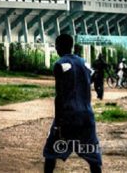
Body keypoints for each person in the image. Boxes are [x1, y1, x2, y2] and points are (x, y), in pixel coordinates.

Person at [43, 34, 102, 173]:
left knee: (50, 152)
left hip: (68, 116)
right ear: (71, 46)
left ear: (58, 47)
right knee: (92, 155)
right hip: (87, 116)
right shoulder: (84, 63)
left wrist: (57, 124)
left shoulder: (60, 65)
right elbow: (94, 77)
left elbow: (59, 96)